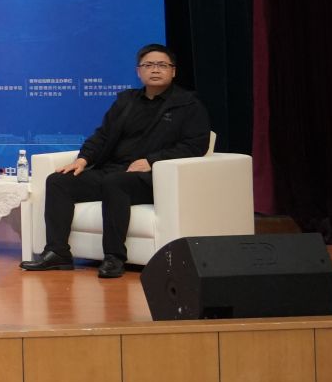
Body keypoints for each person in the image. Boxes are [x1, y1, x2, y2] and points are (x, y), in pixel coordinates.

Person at [24, 44, 211, 278]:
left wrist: (152, 161)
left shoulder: (188, 105)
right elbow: (102, 135)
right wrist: (83, 159)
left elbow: (195, 145)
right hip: (113, 170)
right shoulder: (126, 101)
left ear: (173, 71)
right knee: (59, 181)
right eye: (148, 65)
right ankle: (57, 252)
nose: (155, 70)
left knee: (115, 182)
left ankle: (114, 257)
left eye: (162, 65)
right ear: (138, 72)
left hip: (153, 178)